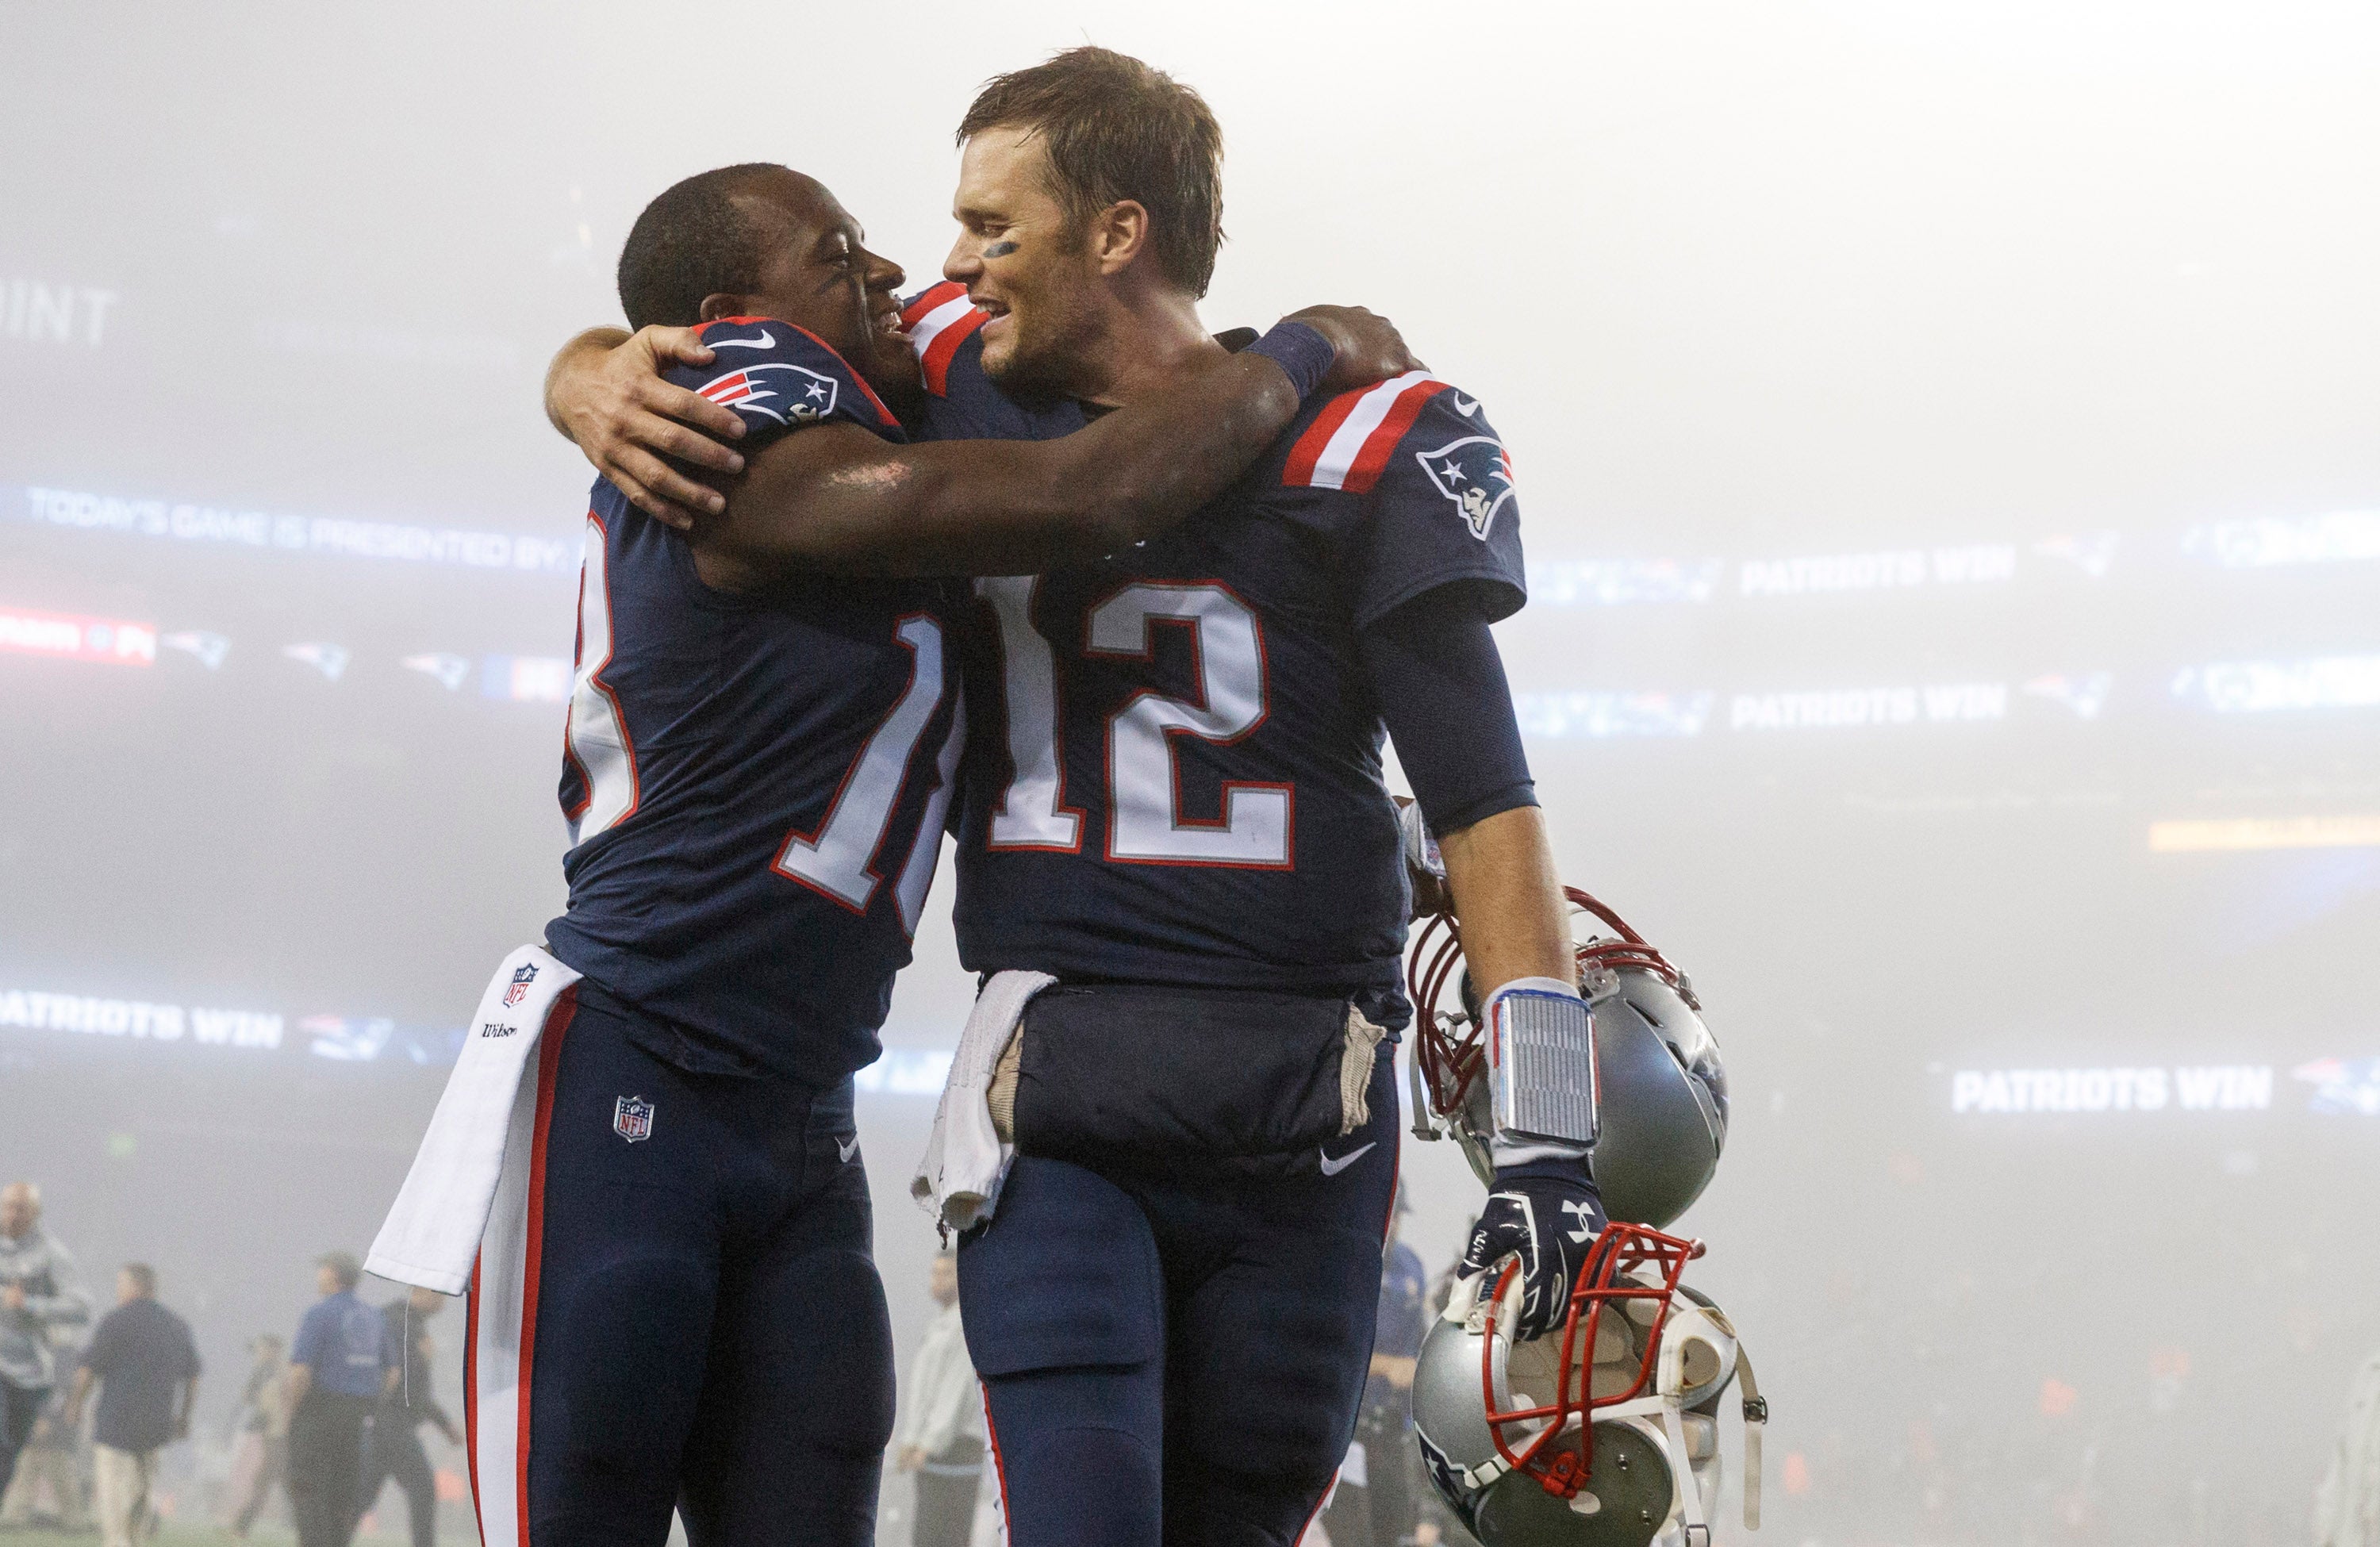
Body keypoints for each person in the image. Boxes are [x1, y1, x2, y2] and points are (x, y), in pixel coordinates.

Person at [550, 46, 1602, 1545]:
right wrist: (588, 370)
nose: (949, 264)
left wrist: (1548, 1137)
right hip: (1065, 1074)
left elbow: (1486, 800)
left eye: (996, 226)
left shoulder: (1375, 432)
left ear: (1117, 232)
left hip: (1307, 1092)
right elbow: (698, 329)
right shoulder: (946, 374)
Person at [393, 154, 1416, 1547]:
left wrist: (575, 365)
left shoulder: (871, 422)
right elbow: (1083, 497)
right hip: (634, 1065)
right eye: (842, 251)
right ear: (733, 317)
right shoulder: (730, 428)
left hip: (807, 1116)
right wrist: (1302, 350)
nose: (891, 272)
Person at [63, 1264, 200, 1547]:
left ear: (134, 1287)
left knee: (114, 1494)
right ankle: (137, 1539)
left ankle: (118, 1542)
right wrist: (184, 1416)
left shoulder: (116, 1321)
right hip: (156, 1424)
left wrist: (76, 1404)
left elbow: (88, 1371)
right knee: (142, 1490)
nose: (118, 1291)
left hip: (116, 1421)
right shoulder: (175, 1325)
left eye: (120, 1285)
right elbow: (193, 1377)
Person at [1322, 1196, 1430, 1547]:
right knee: (1352, 1537)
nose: (1393, 1223)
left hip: (1391, 1426)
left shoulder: (1411, 1266)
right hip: (1347, 1427)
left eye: (1398, 1214)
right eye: (1388, 1212)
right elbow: (1328, 1349)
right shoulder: (1344, 1265)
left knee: (1395, 1531)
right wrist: (1387, 1367)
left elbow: (1417, 1343)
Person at [285, 1252, 388, 1547]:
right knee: (343, 1493)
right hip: (358, 1416)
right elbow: (391, 1374)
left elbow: (301, 1372)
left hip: (319, 1412)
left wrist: (291, 1413)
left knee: (306, 1486)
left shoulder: (319, 1314)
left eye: (322, 1270)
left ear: (332, 1275)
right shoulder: (374, 1317)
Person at [0, 1182, 93, 1507]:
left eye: (21, 1208)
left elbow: (82, 1308)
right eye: (8, 1206)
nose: (13, 1214)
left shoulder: (51, 1255)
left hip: (28, 1373)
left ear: (36, 1214)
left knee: (8, 1455)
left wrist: (32, 1305)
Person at [893, 1252, 981, 1547]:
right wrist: (911, 1439)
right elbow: (925, 1393)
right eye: (934, 1273)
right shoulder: (940, 1326)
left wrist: (928, 1444)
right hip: (932, 1449)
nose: (936, 1281)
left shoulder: (963, 1327)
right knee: (926, 1536)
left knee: (946, 1538)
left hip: (954, 1448)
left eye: (945, 1274)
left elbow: (954, 1394)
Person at [362, 1287, 459, 1547]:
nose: (443, 1303)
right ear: (419, 1293)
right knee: (422, 1487)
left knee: (364, 1493)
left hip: (388, 1419)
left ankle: (327, 1538)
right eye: (439, 1296)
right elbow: (407, 1382)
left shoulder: (410, 1324)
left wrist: (443, 1422)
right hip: (392, 1418)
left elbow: (414, 1385)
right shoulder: (400, 1323)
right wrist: (444, 1423)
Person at [225, 1334, 291, 1537]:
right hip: (276, 1435)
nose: (257, 1354)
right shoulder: (269, 1371)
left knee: (267, 1481)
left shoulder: (277, 1372)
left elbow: (276, 1403)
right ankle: (242, 1525)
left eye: (261, 1349)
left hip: (279, 1436)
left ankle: (242, 1526)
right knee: (279, 1481)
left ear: (272, 1350)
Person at [0, 1389, 85, 1530]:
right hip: (32, 1439)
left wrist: (46, 1419)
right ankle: (13, 1518)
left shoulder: (60, 1375)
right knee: (23, 1478)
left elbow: (59, 1397)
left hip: (56, 1439)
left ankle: (74, 1521)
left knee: (63, 1479)